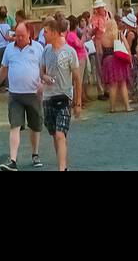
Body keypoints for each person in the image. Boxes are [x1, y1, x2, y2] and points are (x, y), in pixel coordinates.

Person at [0, 22, 45, 171]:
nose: (19, 38)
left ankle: (35, 154)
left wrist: (43, 83)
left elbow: (45, 68)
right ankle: (13, 160)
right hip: (15, 94)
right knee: (15, 126)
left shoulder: (38, 48)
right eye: (17, 35)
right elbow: (4, 68)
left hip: (33, 94)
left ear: (30, 34)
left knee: (35, 126)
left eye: (22, 35)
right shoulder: (10, 48)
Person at [40, 15, 83, 171]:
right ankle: (62, 162)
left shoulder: (70, 52)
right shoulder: (45, 50)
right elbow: (41, 73)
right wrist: (45, 77)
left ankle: (62, 168)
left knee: (60, 135)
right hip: (48, 98)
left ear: (54, 32)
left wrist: (78, 103)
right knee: (55, 135)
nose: (43, 34)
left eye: (45, 31)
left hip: (64, 97)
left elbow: (77, 78)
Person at [0, 8, 14, 76]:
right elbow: (8, 37)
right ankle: (6, 82)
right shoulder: (7, 26)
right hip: (6, 48)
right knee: (6, 66)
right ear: (5, 18)